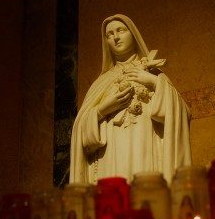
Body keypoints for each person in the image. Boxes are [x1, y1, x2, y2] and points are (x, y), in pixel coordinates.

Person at [70, 14, 191, 185]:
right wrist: (101, 111)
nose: (116, 37)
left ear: (133, 34)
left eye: (120, 30)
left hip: (145, 151)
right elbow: (80, 134)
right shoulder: (101, 82)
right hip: (111, 158)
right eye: (109, 35)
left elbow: (181, 114)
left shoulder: (152, 73)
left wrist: (154, 83)